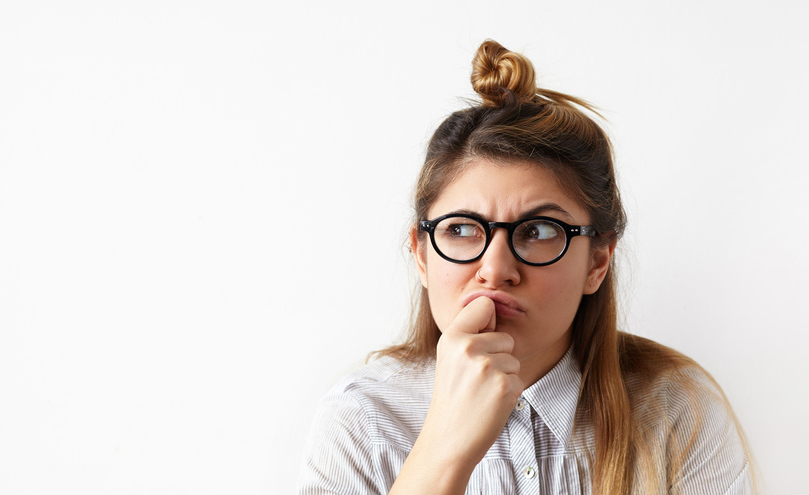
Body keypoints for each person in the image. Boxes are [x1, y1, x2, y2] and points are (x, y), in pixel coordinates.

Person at [297, 40, 755, 495]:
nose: (495, 269)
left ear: (598, 260)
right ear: (421, 253)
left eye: (537, 231)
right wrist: (444, 445)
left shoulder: (677, 411)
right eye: (461, 230)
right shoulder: (363, 421)